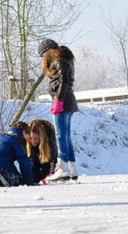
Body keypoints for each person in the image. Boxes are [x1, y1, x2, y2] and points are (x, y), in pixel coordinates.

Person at [38, 38, 79, 181]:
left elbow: (64, 81)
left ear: (47, 51)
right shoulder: (66, 59)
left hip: (63, 101)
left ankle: (63, 168)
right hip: (68, 101)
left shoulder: (58, 60)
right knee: (66, 136)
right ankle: (71, 168)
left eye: (43, 55)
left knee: (60, 136)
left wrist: (59, 100)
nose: (44, 59)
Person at [0, 121, 34, 186]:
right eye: (28, 136)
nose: (27, 139)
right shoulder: (18, 139)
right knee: (20, 179)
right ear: (24, 132)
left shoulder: (0, 136)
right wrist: (29, 182)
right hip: (1, 168)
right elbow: (24, 162)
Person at [27, 118, 58, 184]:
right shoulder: (27, 142)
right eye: (31, 138)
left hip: (46, 158)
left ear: (41, 137)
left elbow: (53, 160)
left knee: (45, 169)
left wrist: (51, 174)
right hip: (35, 158)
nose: (33, 141)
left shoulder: (50, 141)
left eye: (35, 138)